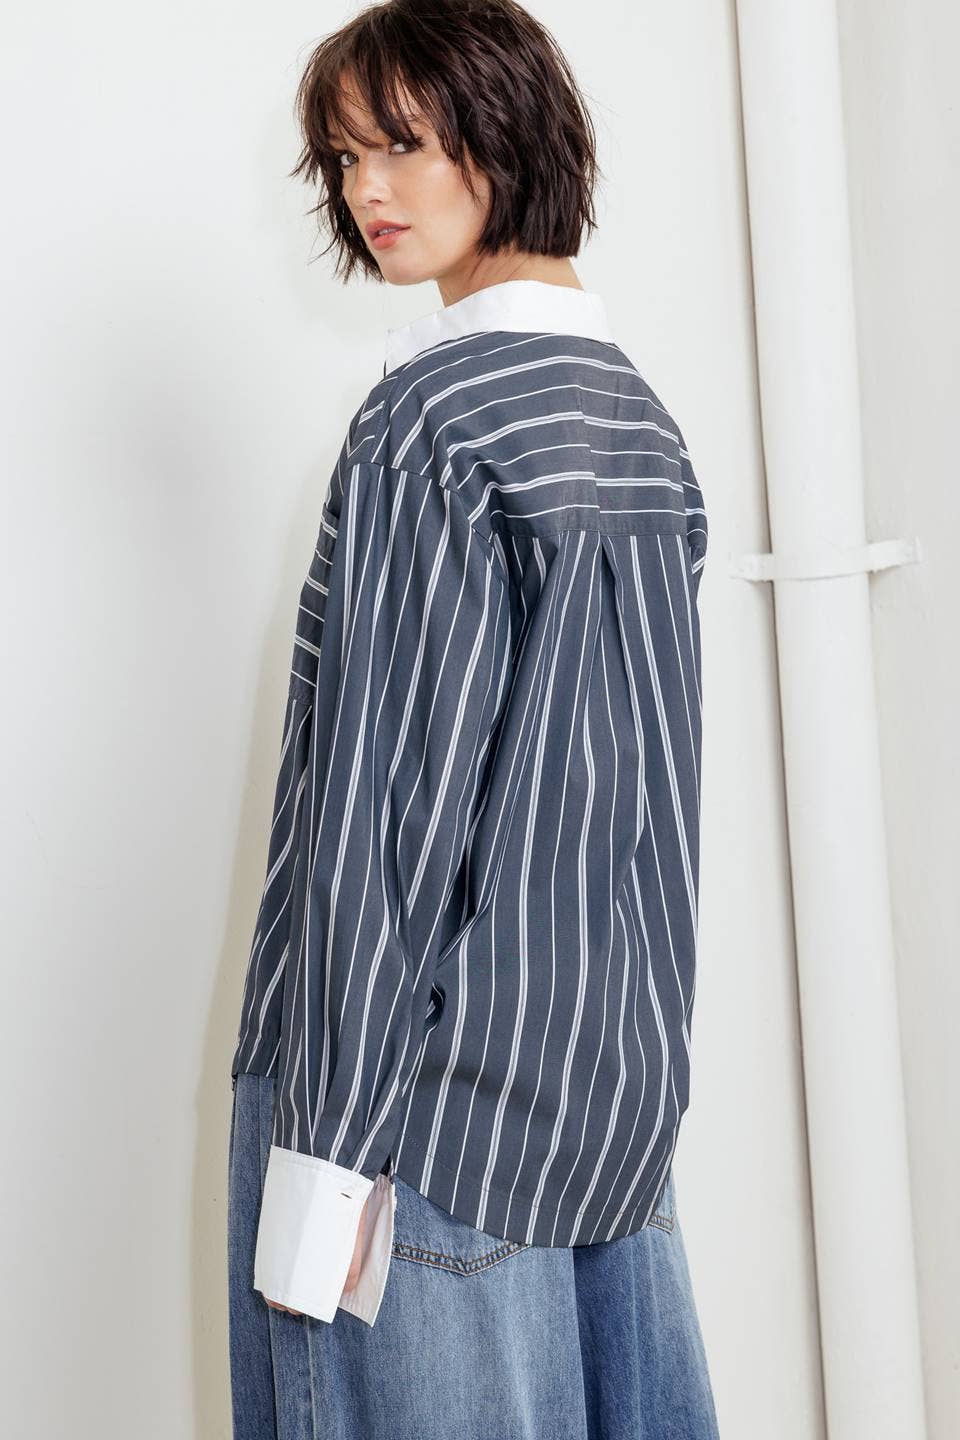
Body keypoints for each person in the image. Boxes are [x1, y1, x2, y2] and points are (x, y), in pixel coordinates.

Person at [227, 1, 720, 1435]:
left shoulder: (429, 424)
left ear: (505, 133)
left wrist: (324, 1157)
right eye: (344, 159)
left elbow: (385, 819)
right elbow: (648, 809)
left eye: (402, 144)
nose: (368, 191)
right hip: (608, 1094)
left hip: (417, 1120)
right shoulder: (643, 424)